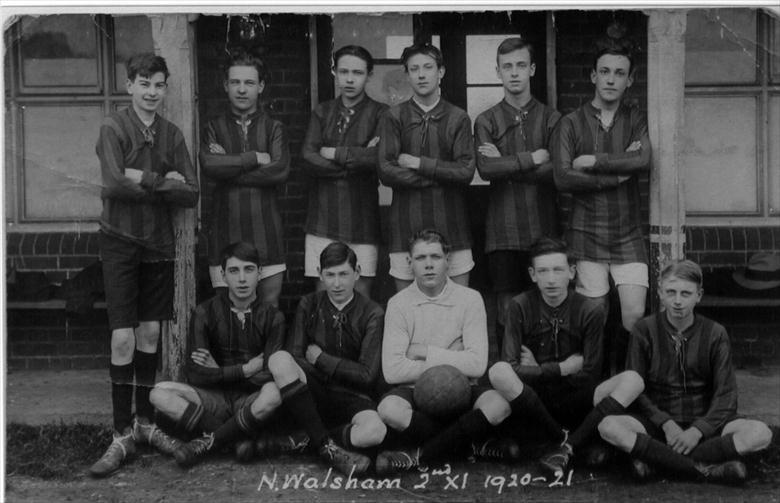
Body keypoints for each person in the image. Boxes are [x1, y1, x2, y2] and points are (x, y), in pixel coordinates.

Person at [90, 53, 199, 477]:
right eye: (144, 83)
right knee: (123, 338)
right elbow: (114, 181)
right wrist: (159, 181)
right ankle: (120, 433)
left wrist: (145, 177)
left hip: (158, 241)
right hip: (119, 241)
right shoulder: (113, 127)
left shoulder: (170, 134)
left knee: (151, 332)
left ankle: (146, 423)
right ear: (129, 85)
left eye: (159, 84)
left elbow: (190, 192)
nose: (152, 92)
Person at [597, 260, 773, 484]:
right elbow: (636, 390)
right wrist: (666, 423)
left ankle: (660, 462)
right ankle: (703, 469)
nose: (678, 301)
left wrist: (698, 430)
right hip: (657, 427)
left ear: (698, 295)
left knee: (760, 433)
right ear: (660, 292)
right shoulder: (644, 330)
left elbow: (726, 396)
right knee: (609, 426)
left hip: (706, 426)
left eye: (686, 293)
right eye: (671, 292)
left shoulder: (715, 333)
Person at [488, 237, 644, 477]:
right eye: (543, 271)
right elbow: (510, 367)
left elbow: (590, 374)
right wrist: (560, 368)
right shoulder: (519, 306)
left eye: (558, 270)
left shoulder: (589, 310)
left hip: (576, 399)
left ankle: (567, 444)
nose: (551, 279)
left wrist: (537, 369)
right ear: (532, 274)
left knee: (632, 379)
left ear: (571, 272)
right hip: (534, 400)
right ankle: (563, 440)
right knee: (498, 372)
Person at [374, 229, 516, 475]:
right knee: (388, 410)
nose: (428, 265)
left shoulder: (470, 299)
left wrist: (424, 351)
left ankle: (422, 454)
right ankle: (471, 444)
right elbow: (393, 371)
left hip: (465, 386)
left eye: (435, 257)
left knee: (499, 405)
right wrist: (451, 357)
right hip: (414, 389)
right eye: (420, 258)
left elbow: (477, 365)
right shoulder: (398, 304)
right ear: (409, 263)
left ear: (447, 260)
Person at [552, 34, 651, 368]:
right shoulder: (570, 122)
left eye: (619, 73)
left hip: (627, 232)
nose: (611, 79)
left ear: (630, 80)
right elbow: (563, 177)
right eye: (605, 71)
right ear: (593, 76)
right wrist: (616, 174)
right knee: (593, 313)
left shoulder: (635, 118)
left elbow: (643, 161)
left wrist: (594, 161)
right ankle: (594, 383)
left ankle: (629, 382)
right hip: (585, 230)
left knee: (635, 312)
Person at [148, 242, 287, 468]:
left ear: (259, 273)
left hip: (249, 399)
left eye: (249, 270)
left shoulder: (273, 317)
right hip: (214, 399)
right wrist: (245, 369)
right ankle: (238, 439)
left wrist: (217, 370)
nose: (242, 279)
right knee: (158, 394)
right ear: (223, 275)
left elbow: (270, 375)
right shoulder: (205, 312)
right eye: (234, 271)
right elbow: (195, 374)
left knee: (273, 393)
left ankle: (211, 441)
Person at [266, 242, 387, 476]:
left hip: (353, 396)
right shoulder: (309, 303)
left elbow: (366, 375)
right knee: (279, 359)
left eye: (344, 274)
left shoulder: (373, 312)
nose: (337, 283)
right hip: (314, 392)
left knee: (375, 431)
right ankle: (326, 447)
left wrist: (321, 359)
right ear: (320, 274)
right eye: (330, 275)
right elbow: (295, 356)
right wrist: (320, 369)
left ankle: (311, 437)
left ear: (357, 273)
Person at [474, 37, 561, 342]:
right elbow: (486, 169)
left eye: (521, 65)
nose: (514, 73)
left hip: (543, 227)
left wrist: (507, 165)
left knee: (545, 302)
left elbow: (557, 171)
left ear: (532, 69)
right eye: (507, 66)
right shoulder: (486, 120)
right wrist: (531, 158)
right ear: (497, 71)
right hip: (503, 230)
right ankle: (509, 369)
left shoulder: (552, 119)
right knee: (506, 306)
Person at [378, 43, 476, 292]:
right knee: (410, 309)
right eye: (414, 69)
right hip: (405, 226)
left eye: (428, 67)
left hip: (452, 227)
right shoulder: (394, 116)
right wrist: (438, 175)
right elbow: (386, 171)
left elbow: (465, 171)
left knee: (457, 308)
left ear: (440, 71)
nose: (421, 75)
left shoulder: (458, 117)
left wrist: (419, 164)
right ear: (407, 74)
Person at [200, 49, 289, 306]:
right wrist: (253, 159)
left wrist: (228, 168)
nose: (242, 89)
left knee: (269, 308)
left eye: (249, 82)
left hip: (266, 235)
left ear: (260, 86)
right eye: (235, 82)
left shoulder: (274, 128)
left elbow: (279, 170)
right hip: (225, 233)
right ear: (226, 85)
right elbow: (208, 165)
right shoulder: (212, 127)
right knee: (227, 313)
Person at [301, 45, 387, 299]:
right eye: (344, 71)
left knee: (361, 298)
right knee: (325, 297)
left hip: (362, 220)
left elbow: (377, 160)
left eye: (358, 73)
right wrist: (354, 160)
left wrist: (331, 153)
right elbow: (307, 158)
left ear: (369, 75)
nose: (350, 79)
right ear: (334, 72)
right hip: (322, 219)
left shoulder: (380, 113)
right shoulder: (322, 111)